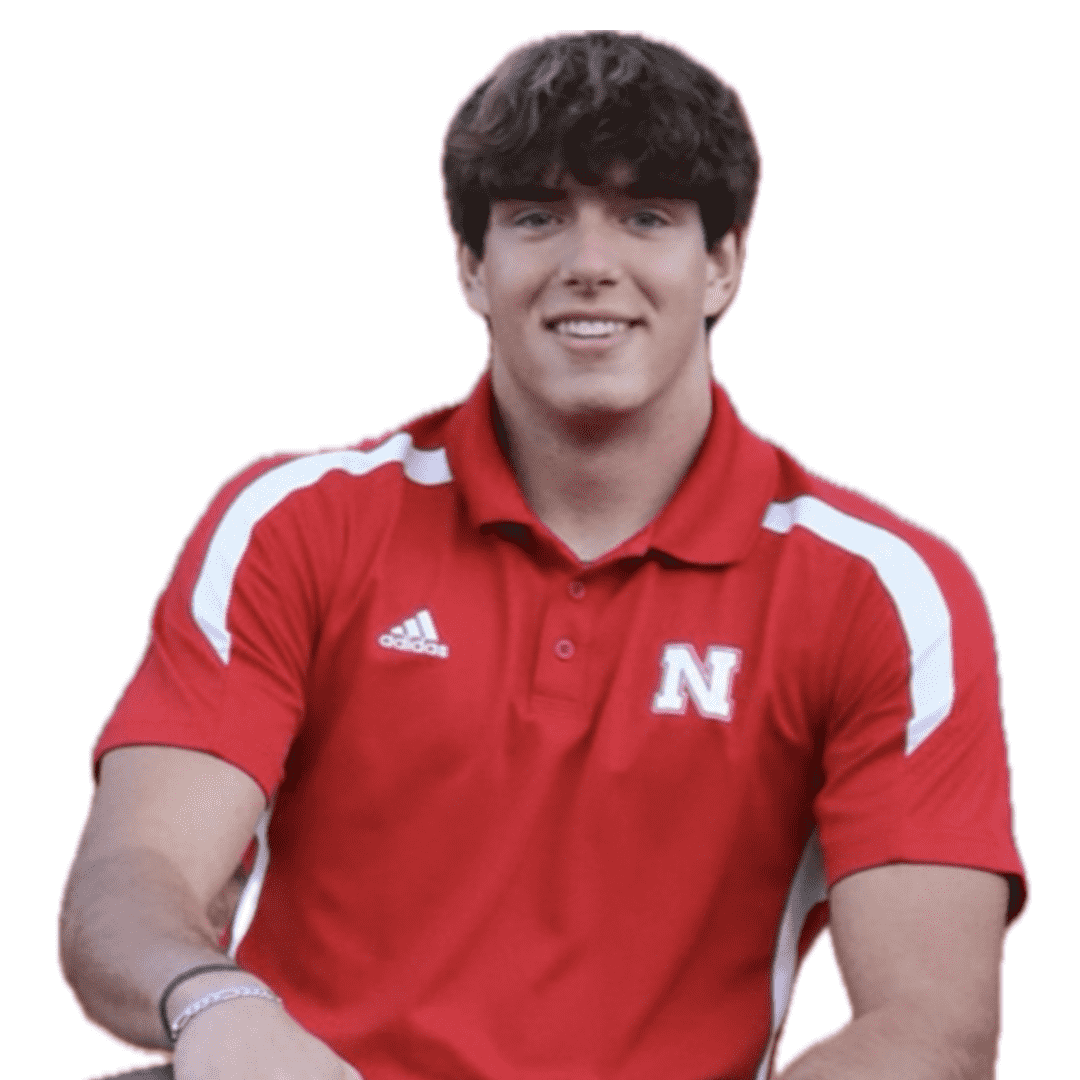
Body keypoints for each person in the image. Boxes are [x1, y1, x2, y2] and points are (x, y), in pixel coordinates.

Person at [61, 30, 1025, 1080]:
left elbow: (931, 1029)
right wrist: (214, 1004)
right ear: (475, 268)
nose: (590, 265)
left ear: (723, 265)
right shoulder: (298, 524)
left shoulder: (878, 594)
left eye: (646, 217)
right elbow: (134, 878)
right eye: (537, 218)